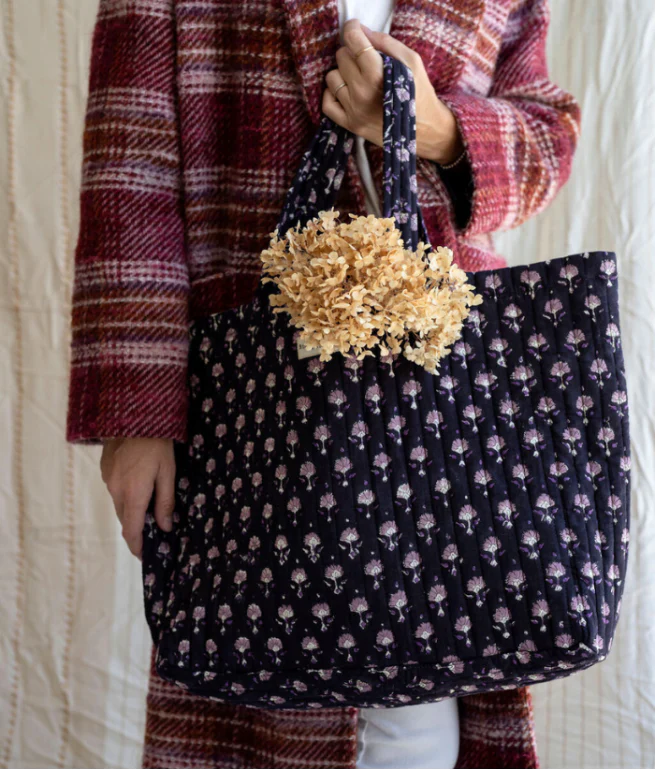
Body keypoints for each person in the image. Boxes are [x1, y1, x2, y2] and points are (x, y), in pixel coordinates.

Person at [66, 0, 580, 767]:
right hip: (251, 409)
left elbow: (547, 133)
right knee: (257, 681)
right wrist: (135, 414)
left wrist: (438, 129)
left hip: (438, 402)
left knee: (431, 703)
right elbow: (128, 171)